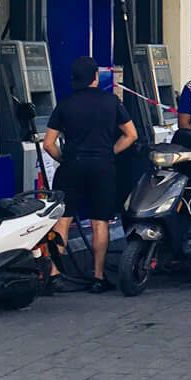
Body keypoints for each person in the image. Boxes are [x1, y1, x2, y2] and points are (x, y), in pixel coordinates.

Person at [45, 56, 136, 293]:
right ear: (96, 77)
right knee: (100, 222)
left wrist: (62, 158)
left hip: (71, 166)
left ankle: (54, 274)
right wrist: (110, 152)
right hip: (102, 167)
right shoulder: (111, 102)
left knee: (62, 221)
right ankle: (97, 277)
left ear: (75, 79)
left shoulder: (64, 105)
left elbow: (48, 144)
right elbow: (131, 135)